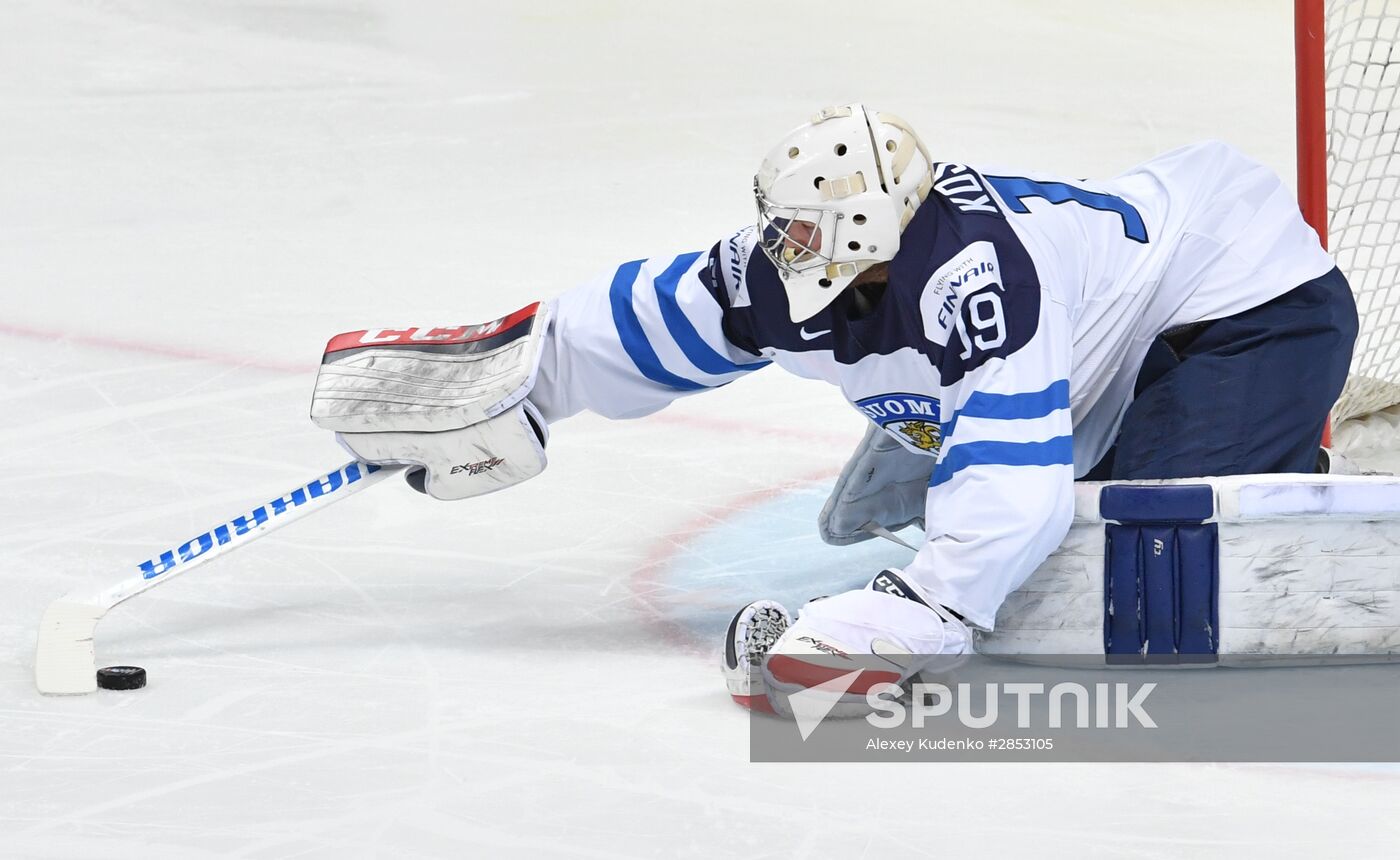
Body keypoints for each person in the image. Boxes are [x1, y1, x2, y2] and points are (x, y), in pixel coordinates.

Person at [310, 104, 1358, 717]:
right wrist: (511, 379)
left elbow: (1011, 490)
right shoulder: (777, 262)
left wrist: (920, 607)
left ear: (903, 229)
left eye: (857, 277)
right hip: (1105, 327)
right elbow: (637, 321)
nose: (826, 292)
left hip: (1245, 298)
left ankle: (1273, 460)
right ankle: (971, 422)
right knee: (1064, 539)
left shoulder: (982, 276)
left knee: (1131, 591)